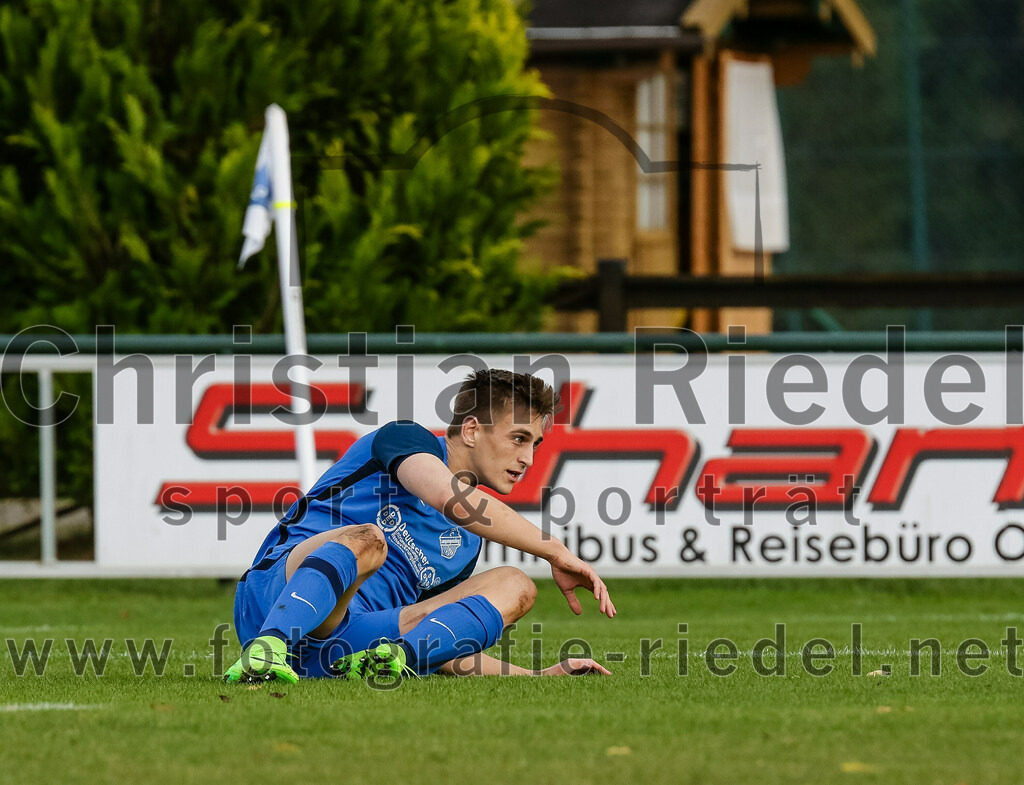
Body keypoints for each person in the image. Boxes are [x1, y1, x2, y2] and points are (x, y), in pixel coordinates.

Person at [224, 368, 616, 684]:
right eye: (519, 438)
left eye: (536, 444)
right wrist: (556, 550)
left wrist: (536, 676)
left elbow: (439, 634)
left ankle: (392, 662)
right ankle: (265, 651)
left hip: (346, 644)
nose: (528, 458)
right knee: (369, 540)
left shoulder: (464, 547)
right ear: (472, 430)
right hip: (273, 599)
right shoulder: (404, 440)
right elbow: (451, 499)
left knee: (516, 584)